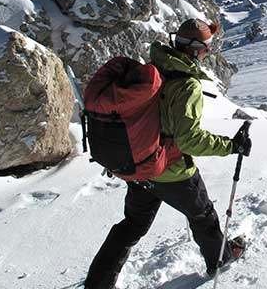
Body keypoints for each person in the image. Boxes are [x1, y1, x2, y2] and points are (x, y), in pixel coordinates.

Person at [84, 19, 252, 289]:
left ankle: (98, 283)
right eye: (207, 48)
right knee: (203, 215)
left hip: (139, 166)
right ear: (196, 50)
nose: (209, 52)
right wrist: (231, 146)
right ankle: (219, 260)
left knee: (133, 224)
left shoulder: (156, 67)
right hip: (171, 170)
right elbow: (189, 139)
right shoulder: (188, 86)